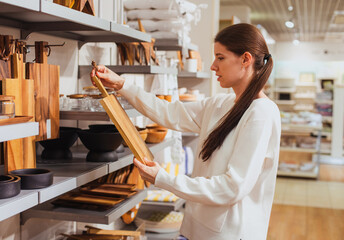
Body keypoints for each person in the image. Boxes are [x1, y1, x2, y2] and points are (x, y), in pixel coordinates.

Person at [91, 23, 281, 240]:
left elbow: (232, 188)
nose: (212, 66)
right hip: (200, 228)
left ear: (245, 59)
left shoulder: (262, 113)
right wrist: (121, 85)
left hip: (231, 234)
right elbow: (168, 112)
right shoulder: (221, 104)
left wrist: (163, 178)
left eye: (220, 58)